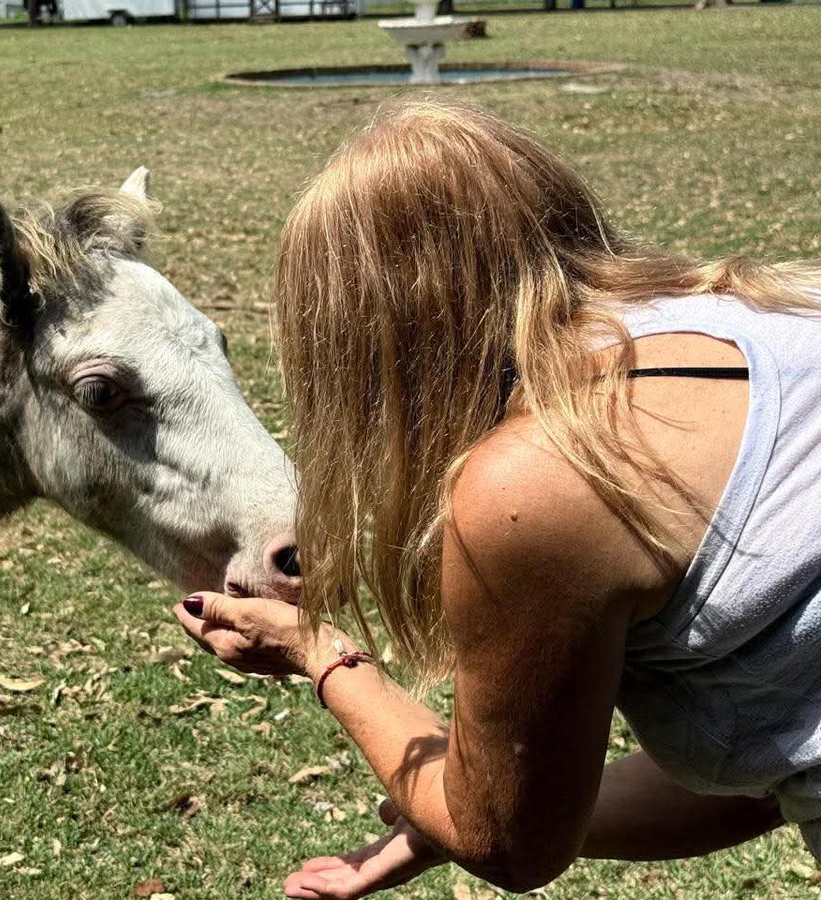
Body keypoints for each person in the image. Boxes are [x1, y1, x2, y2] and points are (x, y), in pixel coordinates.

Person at [172, 100, 821, 898]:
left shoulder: (543, 475)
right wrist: (459, 810)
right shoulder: (763, 315)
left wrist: (318, 655)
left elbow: (508, 847)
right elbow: (776, 762)